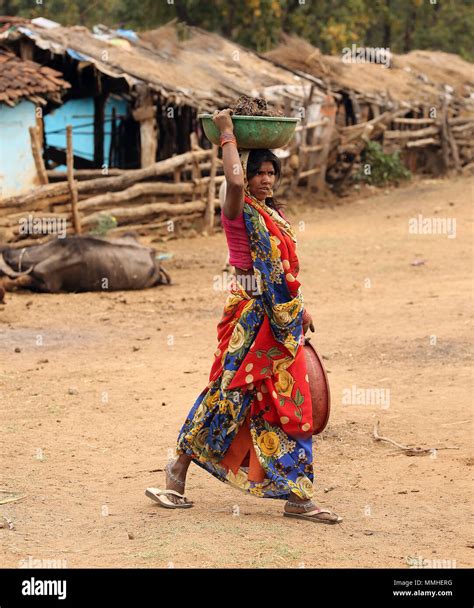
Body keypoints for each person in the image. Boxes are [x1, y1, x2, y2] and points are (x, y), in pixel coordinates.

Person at [145, 108, 342, 524]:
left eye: (272, 172)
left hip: (278, 317)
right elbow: (232, 179)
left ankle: (296, 494)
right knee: (229, 395)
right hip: (251, 318)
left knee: (275, 402)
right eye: (259, 173)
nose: (265, 179)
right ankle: (179, 469)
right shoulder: (236, 208)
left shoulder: (274, 215)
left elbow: (284, 273)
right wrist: (228, 134)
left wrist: (298, 309)